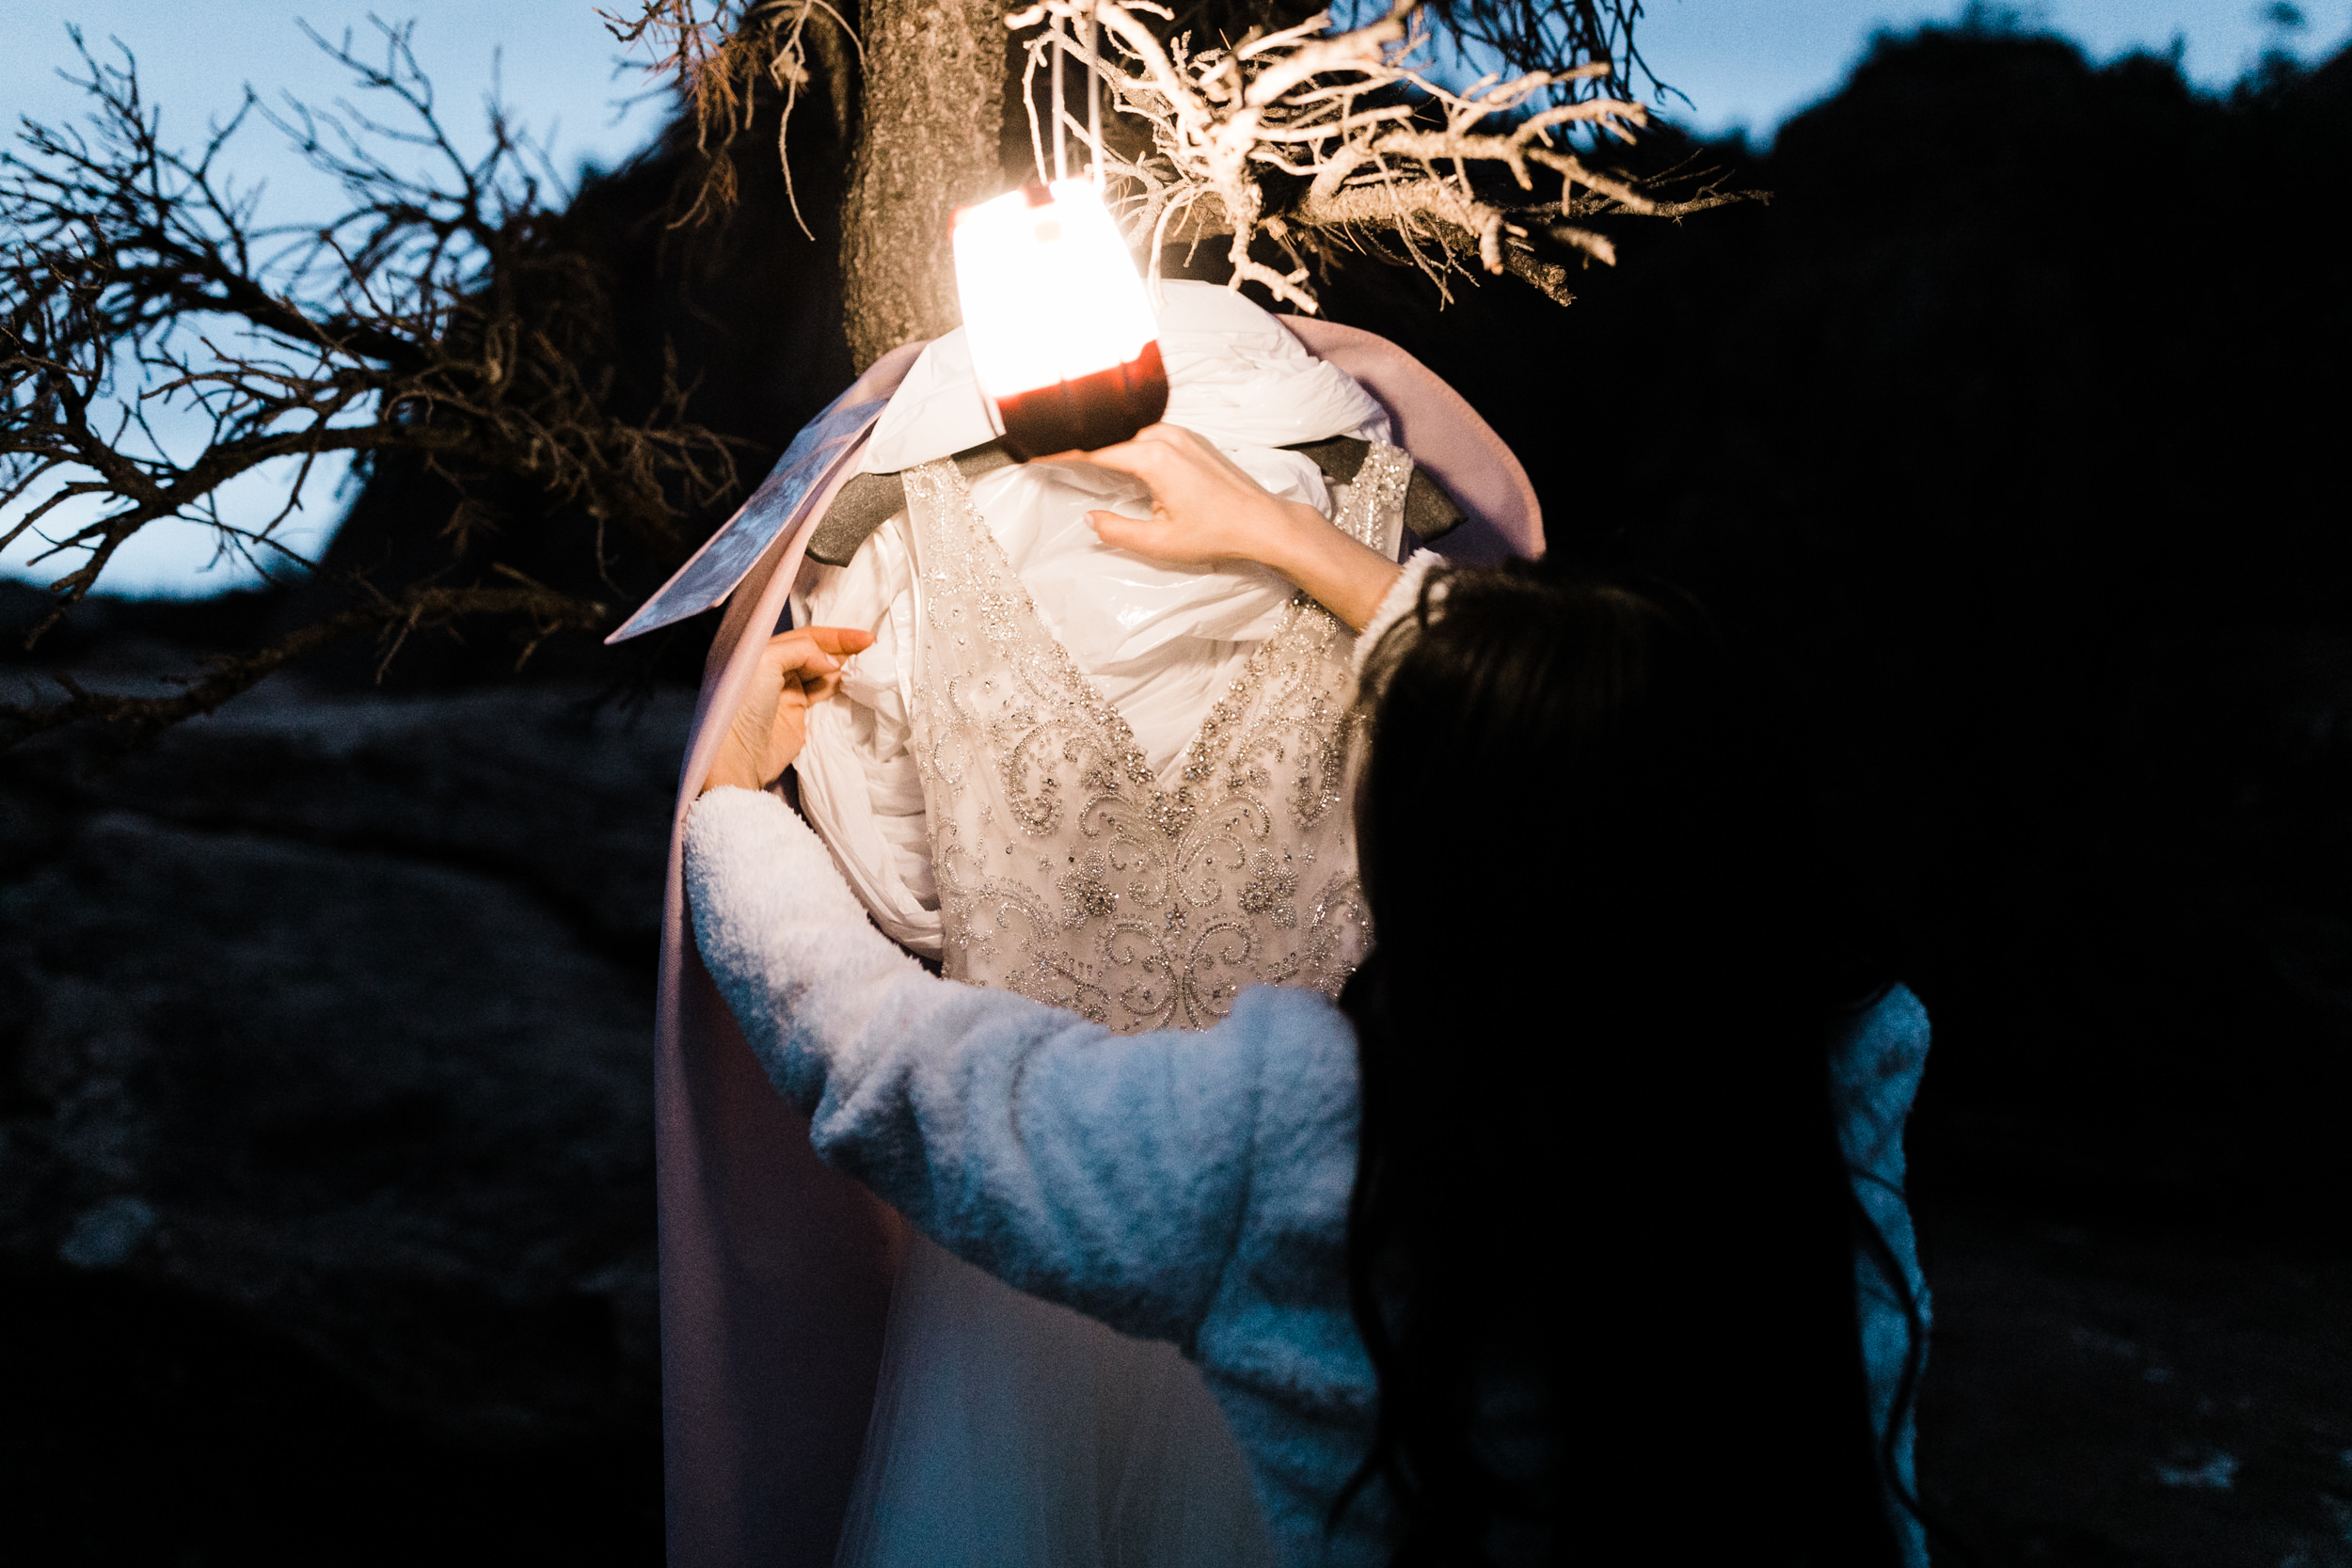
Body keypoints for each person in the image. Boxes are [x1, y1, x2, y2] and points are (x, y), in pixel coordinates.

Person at [691, 425, 1931, 1566]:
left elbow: (893, 1066)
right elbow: (1629, 761)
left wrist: (733, 810)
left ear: (1451, 875)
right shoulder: (1824, 1085)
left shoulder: (1310, 1148)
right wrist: (1294, 539)